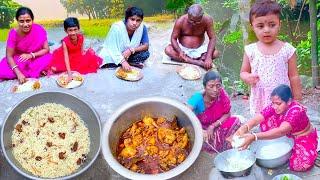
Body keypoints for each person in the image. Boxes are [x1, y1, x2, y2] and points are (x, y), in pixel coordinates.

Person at [233, 84, 318, 172]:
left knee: (300, 165)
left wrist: (254, 136)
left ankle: (301, 148)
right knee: (265, 122)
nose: (274, 106)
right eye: (273, 103)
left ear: (289, 101)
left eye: (278, 104)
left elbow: (280, 131)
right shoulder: (276, 105)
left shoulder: (296, 111)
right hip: (286, 131)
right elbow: (260, 117)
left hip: (302, 136)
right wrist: (245, 127)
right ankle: (284, 143)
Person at [240, 0, 302, 115]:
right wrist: (248, 77)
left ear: (279, 24)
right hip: (260, 99)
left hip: (282, 98)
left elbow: (294, 76)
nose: (267, 30)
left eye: (272, 25)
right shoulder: (250, 50)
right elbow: (243, 72)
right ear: (252, 27)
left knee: (284, 127)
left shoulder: (287, 50)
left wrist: (297, 101)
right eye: (260, 26)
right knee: (263, 126)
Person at [187, 71, 240, 153]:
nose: (215, 90)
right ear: (205, 87)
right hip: (202, 128)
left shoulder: (222, 94)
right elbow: (185, 113)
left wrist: (213, 126)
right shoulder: (197, 98)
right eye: (211, 86)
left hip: (217, 124)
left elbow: (227, 114)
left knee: (236, 121)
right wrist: (200, 130)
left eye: (218, 86)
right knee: (197, 141)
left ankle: (221, 143)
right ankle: (219, 143)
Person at [0, 7, 52, 84]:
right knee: (3, 69)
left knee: (49, 57)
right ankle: (35, 72)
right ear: (17, 21)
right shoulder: (13, 33)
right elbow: (9, 56)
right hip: (20, 59)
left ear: (32, 20)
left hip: (35, 56)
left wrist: (31, 55)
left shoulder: (39, 29)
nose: (25, 24)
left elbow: (46, 49)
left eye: (28, 21)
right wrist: (18, 73)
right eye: (21, 21)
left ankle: (34, 71)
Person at [164, 4, 219, 70]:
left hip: (199, 50)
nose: (193, 23)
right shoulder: (180, 21)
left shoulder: (207, 20)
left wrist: (208, 57)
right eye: (191, 20)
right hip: (183, 50)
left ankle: (189, 60)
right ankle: (197, 62)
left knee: (215, 53)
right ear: (188, 15)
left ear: (202, 16)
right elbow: (173, 38)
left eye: (197, 21)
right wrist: (180, 52)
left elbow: (212, 38)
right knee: (168, 50)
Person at [99, 7, 150, 71]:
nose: (135, 23)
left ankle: (126, 63)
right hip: (114, 52)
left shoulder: (142, 28)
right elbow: (112, 48)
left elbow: (146, 45)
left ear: (141, 21)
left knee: (145, 54)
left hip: (129, 54)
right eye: (132, 19)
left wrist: (131, 50)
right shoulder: (116, 27)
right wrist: (122, 61)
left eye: (138, 20)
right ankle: (125, 63)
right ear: (126, 19)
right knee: (105, 57)